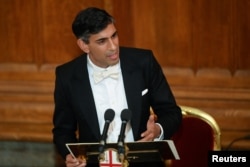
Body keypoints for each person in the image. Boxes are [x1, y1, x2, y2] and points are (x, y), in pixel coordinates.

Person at [52, 7, 182, 167]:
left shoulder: (143, 62)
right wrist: (70, 155)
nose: (113, 46)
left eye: (114, 35)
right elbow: (63, 130)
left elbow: (171, 112)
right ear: (84, 45)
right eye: (102, 41)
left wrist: (157, 130)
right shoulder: (67, 76)